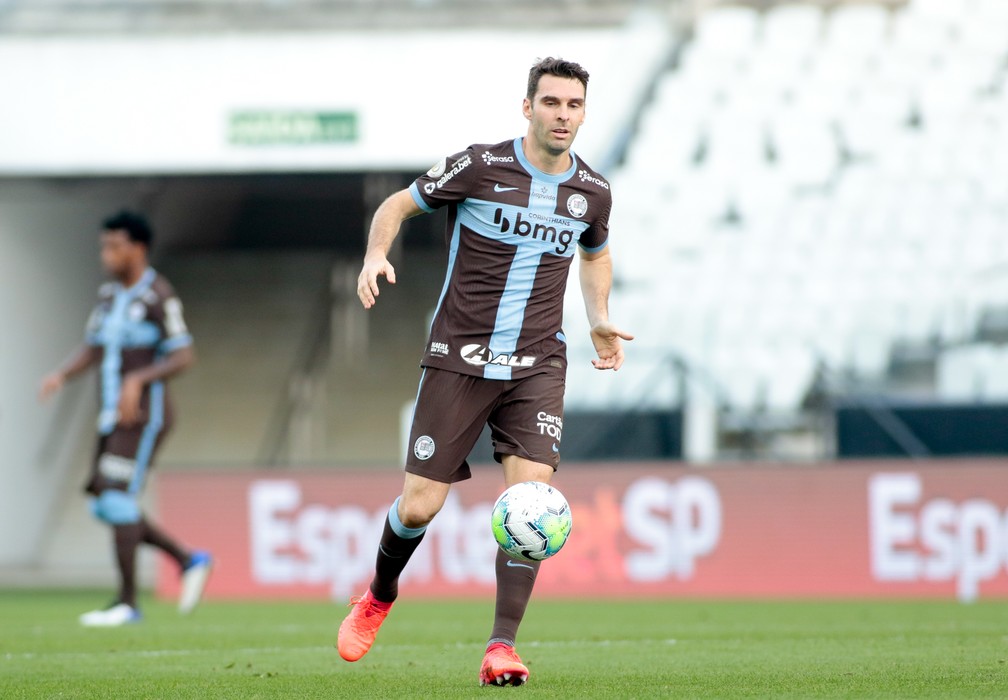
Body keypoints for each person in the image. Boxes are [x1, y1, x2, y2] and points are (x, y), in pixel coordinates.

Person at [338, 57, 633, 686]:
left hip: (537, 365)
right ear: (527, 107)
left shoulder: (592, 192)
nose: (562, 115)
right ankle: (379, 594)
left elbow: (596, 251)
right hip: (459, 359)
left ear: (584, 112)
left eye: (573, 105)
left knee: (529, 501)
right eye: (551, 102)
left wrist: (600, 317)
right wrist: (374, 256)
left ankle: (501, 646)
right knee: (419, 507)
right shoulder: (479, 167)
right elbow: (396, 204)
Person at [38, 210, 212, 627]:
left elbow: (183, 355)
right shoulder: (107, 297)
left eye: (114, 246)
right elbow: (94, 348)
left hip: (144, 415)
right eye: (104, 246)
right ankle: (189, 559)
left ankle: (127, 603)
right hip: (111, 416)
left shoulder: (158, 295)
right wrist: (62, 374)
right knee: (105, 504)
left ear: (138, 248)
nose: (106, 254)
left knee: (116, 501)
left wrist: (138, 378)